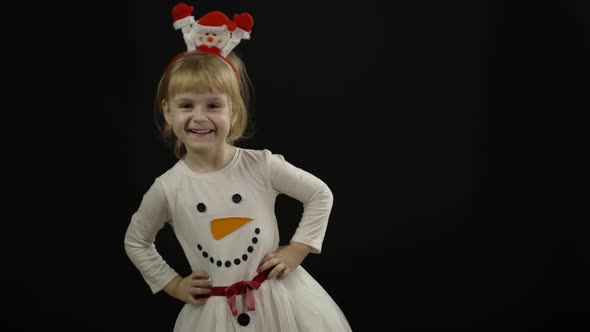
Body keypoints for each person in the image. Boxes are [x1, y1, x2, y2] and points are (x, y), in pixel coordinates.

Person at [124, 2, 352, 331]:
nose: (199, 116)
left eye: (213, 105)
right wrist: (173, 284)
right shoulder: (169, 187)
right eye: (186, 105)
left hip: (279, 302)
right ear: (168, 112)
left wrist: (297, 250)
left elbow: (319, 194)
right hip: (215, 315)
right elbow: (137, 240)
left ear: (234, 112)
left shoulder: (261, 165)